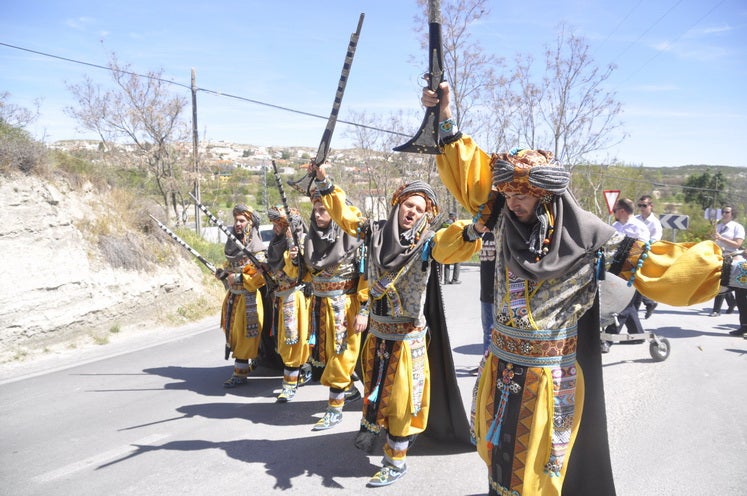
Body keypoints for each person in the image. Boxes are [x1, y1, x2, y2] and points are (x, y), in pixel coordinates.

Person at [423, 80, 725, 496]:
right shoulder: (500, 218)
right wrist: (444, 117)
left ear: (546, 195)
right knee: (499, 461)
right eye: (508, 193)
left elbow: (665, 267)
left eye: (523, 195)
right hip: (500, 369)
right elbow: (469, 175)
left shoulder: (591, 238)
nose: (513, 203)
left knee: (537, 471)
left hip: (549, 381)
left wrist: (731, 272)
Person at [311, 163, 478, 487]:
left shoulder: (429, 243)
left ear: (426, 215)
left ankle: (395, 460)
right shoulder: (373, 233)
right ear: (397, 204)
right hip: (377, 336)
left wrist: (476, 227)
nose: (413, 212)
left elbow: (452, 245)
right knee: (378, 396)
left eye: (420, 209)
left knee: (402, 401)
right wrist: (325, 182)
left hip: (407, 341)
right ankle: (386, 440)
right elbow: (346, 216)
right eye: (409, 205)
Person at [302, 191, 369, 430]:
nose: (318, 215)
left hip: (345, 307)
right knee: (327, 354)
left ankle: (334, 409)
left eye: (324, 210)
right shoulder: (310, 239)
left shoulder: (354, 239)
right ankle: (349, 391)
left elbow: (366, 277)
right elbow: (304, 274)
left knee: (342, 357)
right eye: (316, 210)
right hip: (319, 305)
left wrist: (364, 310)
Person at [215, 204, 269, 388]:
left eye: (242, 220)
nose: (237, 224)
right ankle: (242, 368)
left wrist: (237, 277)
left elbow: (259, 277)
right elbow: (229, 269)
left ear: (250, 223)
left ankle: (240, 373)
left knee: (246, 336)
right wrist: (223, 274)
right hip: (233, 298)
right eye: (236, 220)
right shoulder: (232, 246)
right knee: (234, 334)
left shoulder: (257, 249)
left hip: (249, 299)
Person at [264, 205, 311, 402]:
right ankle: (298, 375)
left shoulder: (298, 244)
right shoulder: (276, 243)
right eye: (274, 223)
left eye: (280, 224)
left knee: (292, 341)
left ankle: (289, 385)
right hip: (281, 297)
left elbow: (298, 271)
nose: (276, 227)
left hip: (295, 297)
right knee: (284, 341)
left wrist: (293, 257)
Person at [601, 198, 651, 352]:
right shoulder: (615, 226)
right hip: (615, 271)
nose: (614, 213)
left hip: (632, 271)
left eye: (615, 210)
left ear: (622, 211)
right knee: (627, 305)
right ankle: (638, 334)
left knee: (623, 304)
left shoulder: (639, 228)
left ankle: (608, 340)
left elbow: (642, 250)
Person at [711, 205, 744, 319]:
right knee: (721, 281)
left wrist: (721, 238)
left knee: (723, 282)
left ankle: (716, 310)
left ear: (732, 214)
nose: (724, 214)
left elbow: (738, 244)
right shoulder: (719, 226)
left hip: (732, 257)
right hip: (719, 255)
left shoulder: (737, 227)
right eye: (723, 212)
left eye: (727, 212)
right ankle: (731, 302)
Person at [634, 195, 663, 318]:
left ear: (651, 206)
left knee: (638, 281)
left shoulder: (655, 223)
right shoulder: (636, 219)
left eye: (644, 205)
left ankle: (636, 308)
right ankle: (648, 303)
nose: (642, 208)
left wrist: (643, 245)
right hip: (634, 254)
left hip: (646, 255)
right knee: (636, 281)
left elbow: (655, 240)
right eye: (640, 205)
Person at [442, 212, 462, 284]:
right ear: (454, 218)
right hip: (454, 245)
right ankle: (455, 280)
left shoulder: (443, 224)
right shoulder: (455, 224)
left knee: (447, 262)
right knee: (457, 261)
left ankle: (446, 280)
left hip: (445, 245)